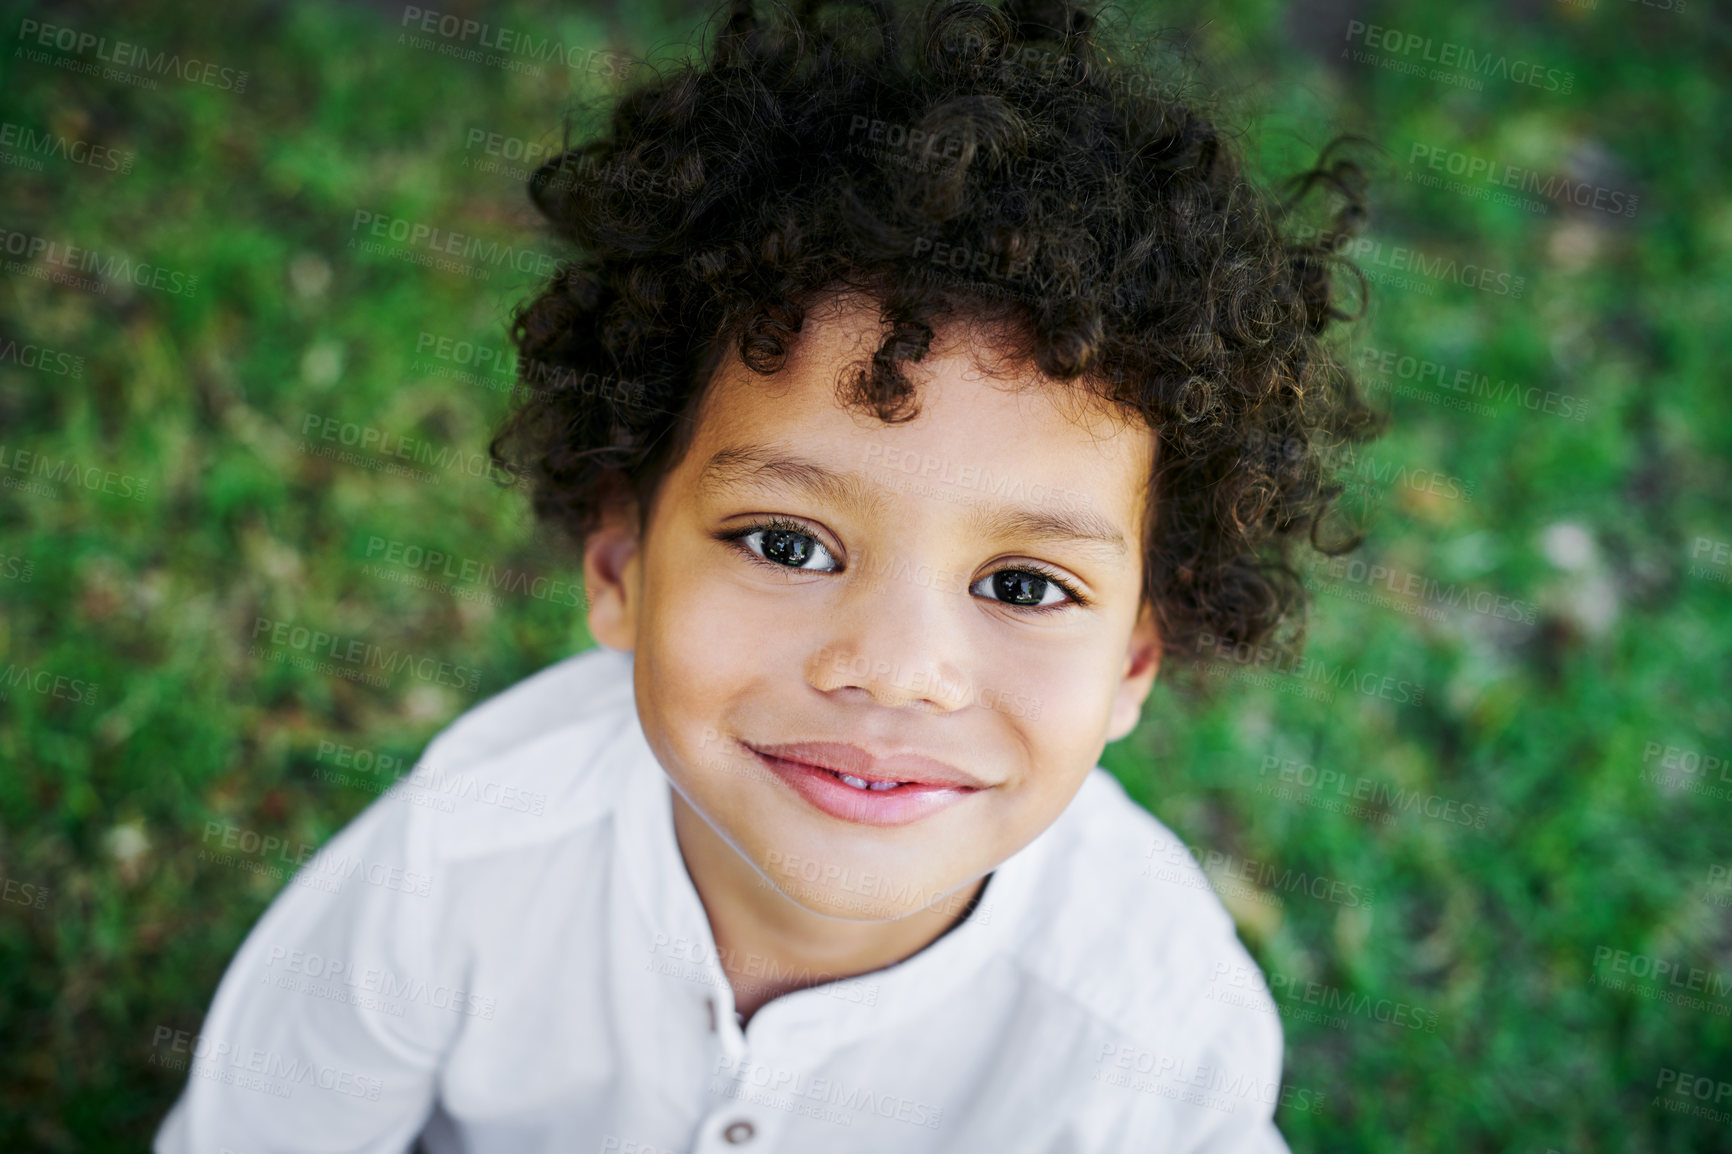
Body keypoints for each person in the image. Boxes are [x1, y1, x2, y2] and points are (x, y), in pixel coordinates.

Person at [156, 0, 1382, 1148]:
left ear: (1133, 659)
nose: (894, 668)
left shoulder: (1154, 1039)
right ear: (620, 560)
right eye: (788, 543)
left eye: (1022, 584)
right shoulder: (465, 857)